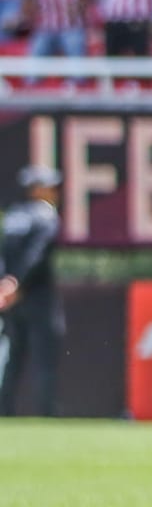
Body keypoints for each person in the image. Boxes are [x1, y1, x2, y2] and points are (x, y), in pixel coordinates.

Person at [0, 165, 63, 417]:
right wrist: (18, 283)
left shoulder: (13, 216)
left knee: (12, 358)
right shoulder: (46, 215)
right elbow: (36, 255)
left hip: (11, 297)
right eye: (50, 186)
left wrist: (6, 284)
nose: (55, 191)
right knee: (44, 358)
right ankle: (46, 413)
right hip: (37, 296)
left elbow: (4, 255)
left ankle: (4, 413)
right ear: (37, 189)